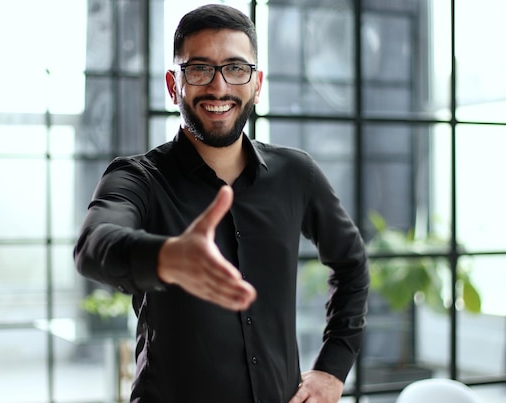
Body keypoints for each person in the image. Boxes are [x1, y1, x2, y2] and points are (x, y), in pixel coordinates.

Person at [74, 4, 369, 403]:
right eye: (198, 69)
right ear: (173, 84)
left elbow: (351, 263)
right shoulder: (138, 178)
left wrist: (333, 368)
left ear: (257, 83)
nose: (218, 87)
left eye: (235, 68)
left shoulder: (296, 174)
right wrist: (166, 257)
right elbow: (94, 244)